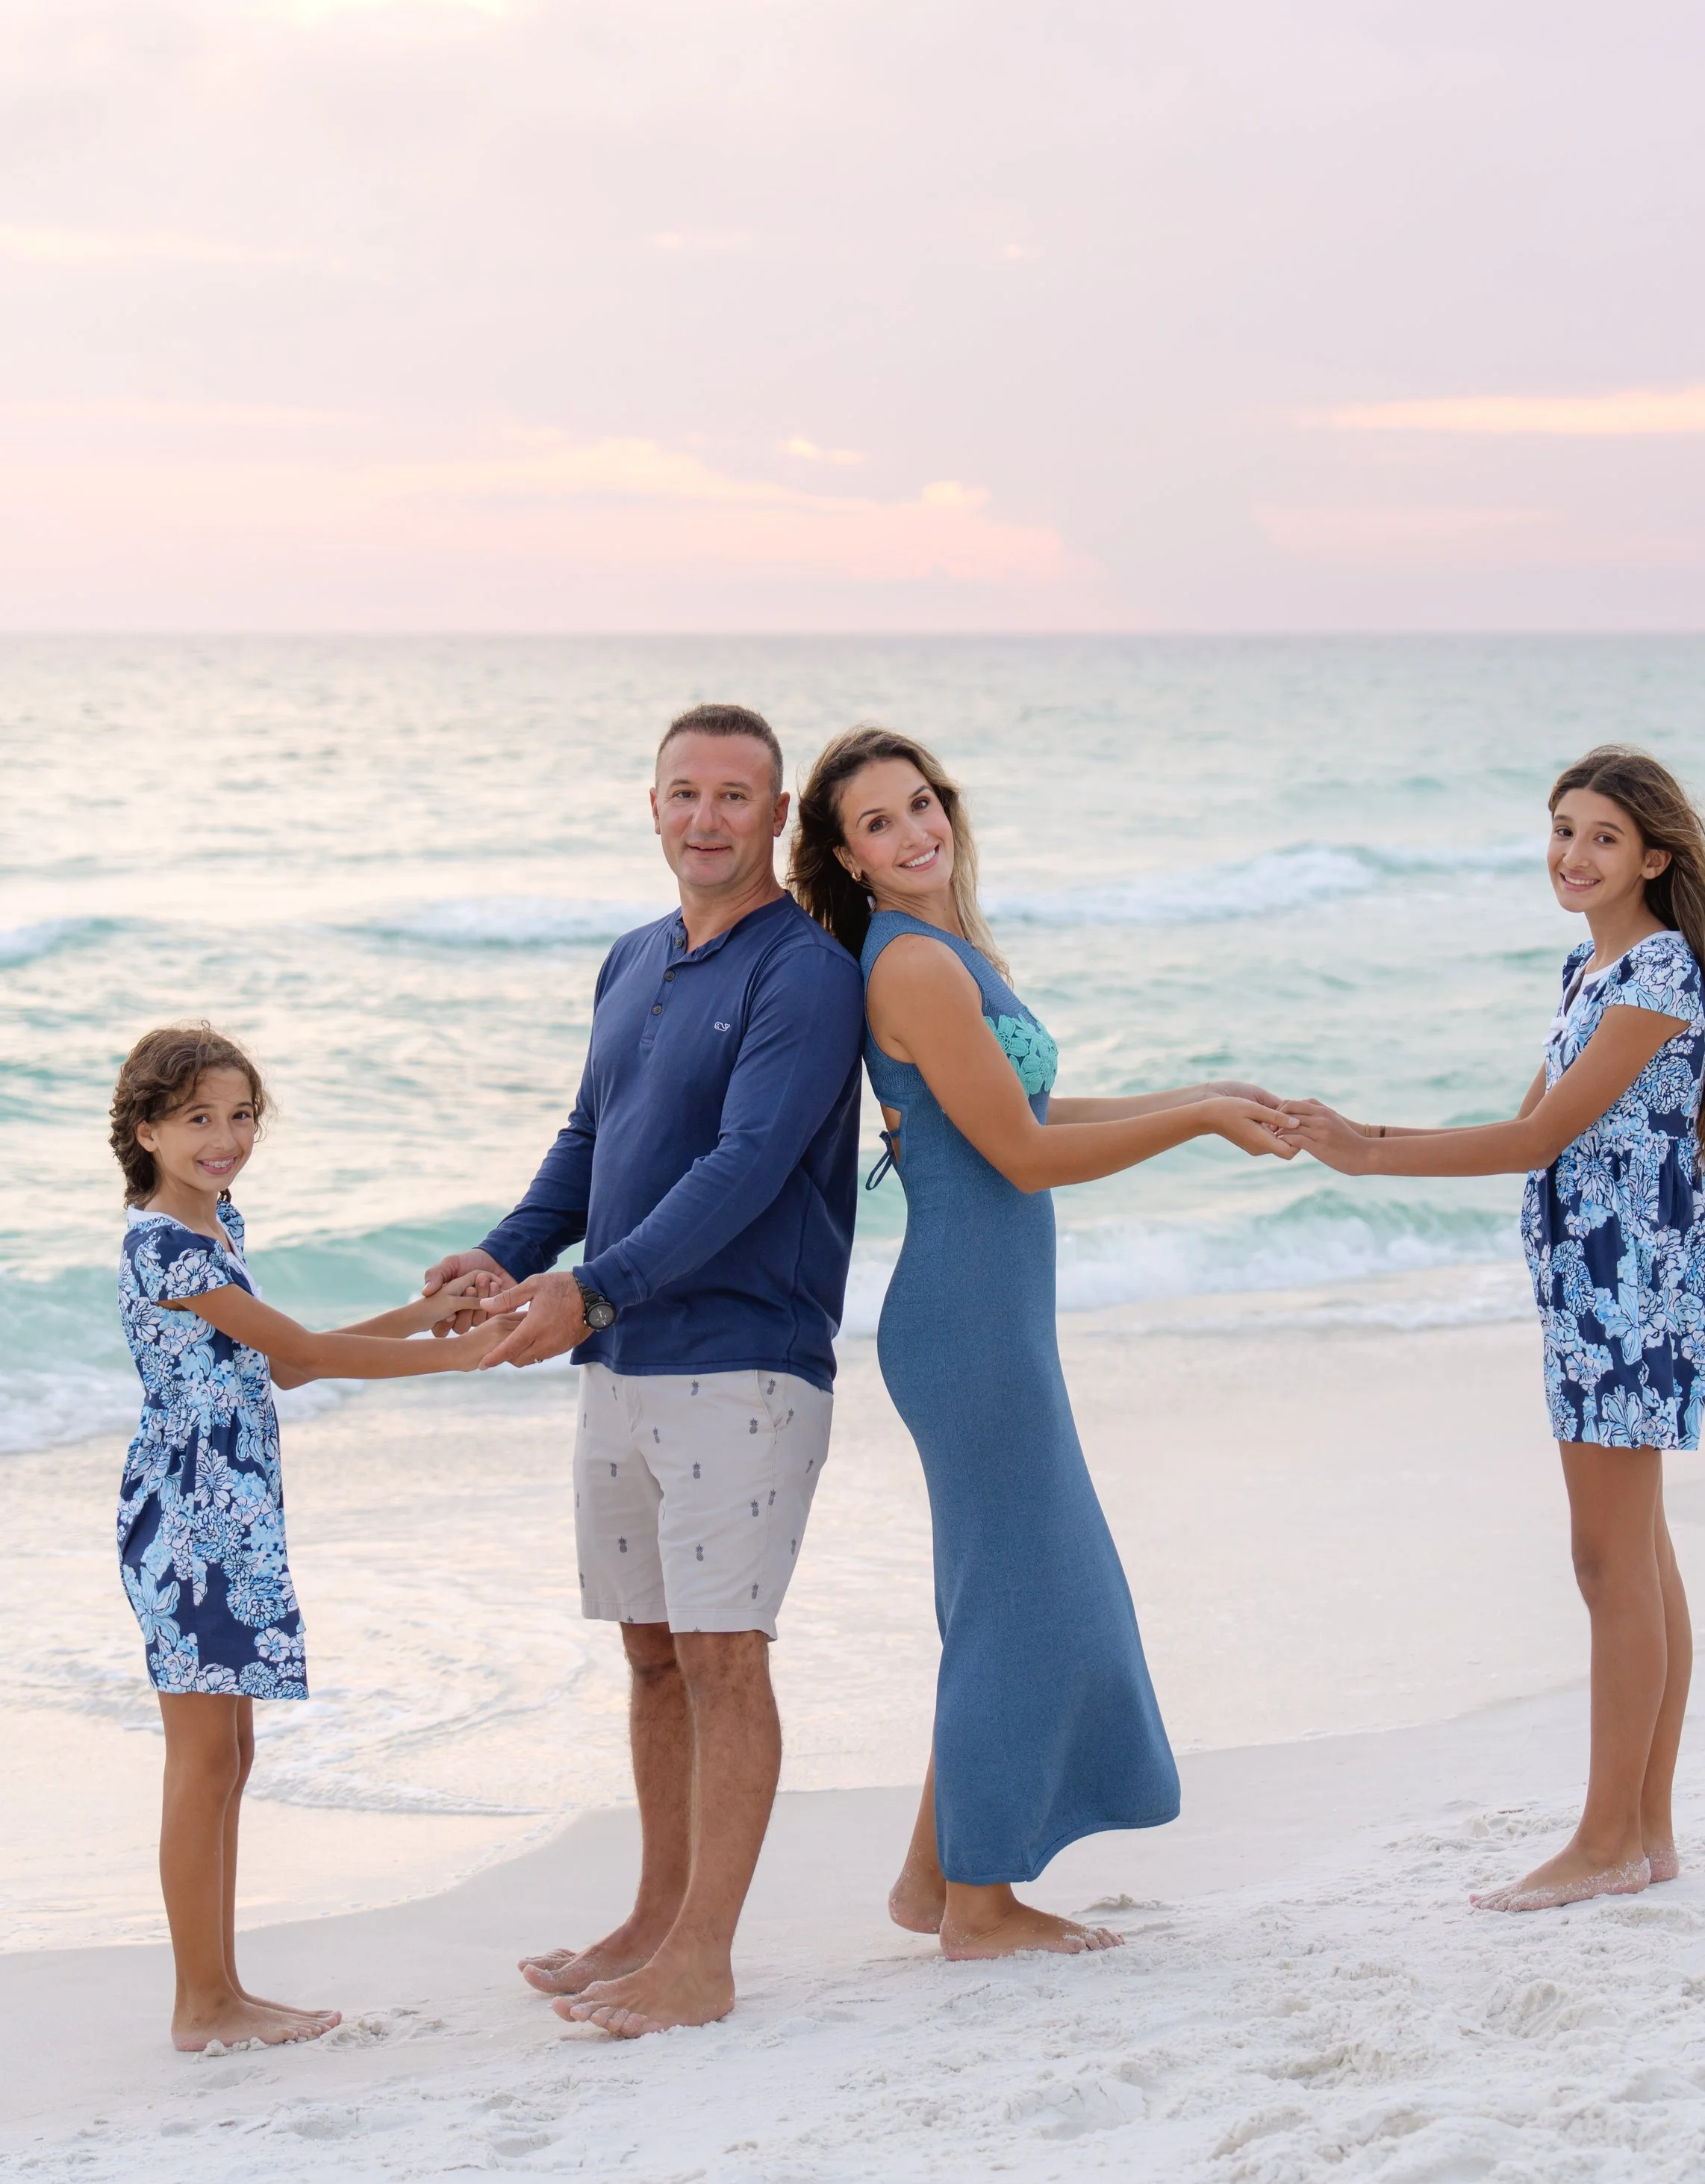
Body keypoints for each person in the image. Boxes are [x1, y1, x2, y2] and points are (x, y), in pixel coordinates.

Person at [787, 726, 1299, 1959]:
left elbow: (1019, 1111)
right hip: (967, 1321)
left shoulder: (950, 953)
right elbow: (1022, 1156)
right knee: (1030, 1601)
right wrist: (1195, 1129)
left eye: (923, 805)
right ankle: (979, 1908)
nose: (914, 834)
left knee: (1001, 1599)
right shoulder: (909, 967)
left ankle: (933, 1878)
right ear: (849, 859)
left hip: (993, 1314)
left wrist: (1198, 1095)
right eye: (879, 824)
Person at [1289, 746, 1705, 1912]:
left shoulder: (1657, 976)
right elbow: (1527, 1125)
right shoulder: (1592, 968)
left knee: (1608, 1561)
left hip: (1629, 1292)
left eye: (1603, 838)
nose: (1573, 855)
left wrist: (1358, 1147)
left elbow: (1536, 1141)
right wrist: (1365, 1138)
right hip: (1596, 1285)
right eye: (1563, 829)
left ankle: (1605, 1841)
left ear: (1655, 859)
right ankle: (1647, 1832)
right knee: (1640, 1555)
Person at [423, 703, 864, 2038]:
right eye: (685, 793)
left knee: (727, 1658)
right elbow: (590, 1135)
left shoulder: (805, 973)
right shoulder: (631, 959)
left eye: (737, 796)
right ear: (653, 804)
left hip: (744, 1364)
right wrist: (504, 1260)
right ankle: (654, 1918)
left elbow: (744, 1167)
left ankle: (704, 1961)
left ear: (778, 818)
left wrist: (591, 1285)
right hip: (621, 1362)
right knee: (654, 1656)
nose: (707, 818)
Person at [110, 1024, 510, 2052]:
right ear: (147, 1129)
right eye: (199, 1118)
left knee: (231, 1755)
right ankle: (200, 2006)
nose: (226, 1137)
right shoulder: (167, 1245)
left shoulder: (215, 1227)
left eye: (242, 1115)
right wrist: (460, 1361)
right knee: (202, 1763)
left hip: (231, 1510)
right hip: (193, 1519)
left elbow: (282, 1366)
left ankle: (223, 1991)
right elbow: (307, 1355)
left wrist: (429, 1313)